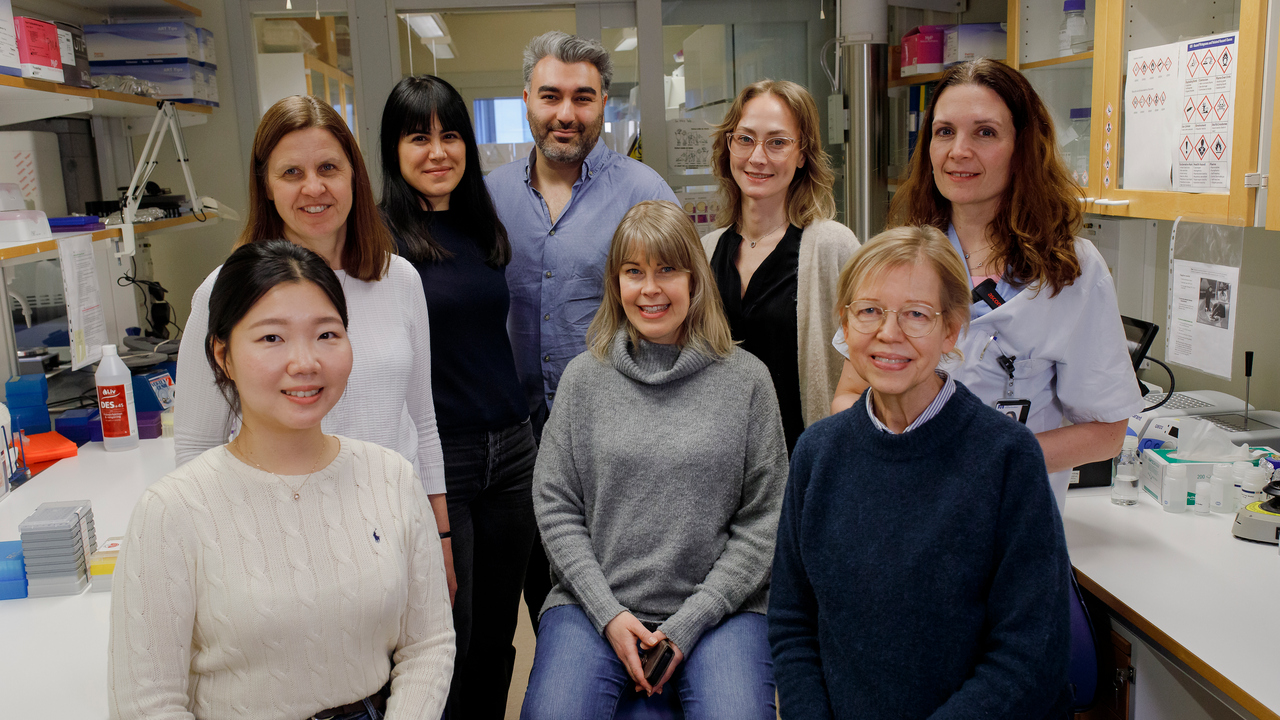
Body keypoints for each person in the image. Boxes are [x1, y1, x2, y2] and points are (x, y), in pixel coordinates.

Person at [109, 240, 455, 720]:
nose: (305, 362)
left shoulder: (391, 477)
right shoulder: (171, 510)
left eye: (327, 334)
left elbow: (429, 644)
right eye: (272, 338)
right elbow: (147, 703)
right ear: (223, 356)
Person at [769, 225, 1071, 719]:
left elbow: (1030, 653)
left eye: (916, 314)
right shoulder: (817, 454)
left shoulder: (1007, 459)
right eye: (869, 311)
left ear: (951, 330)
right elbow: (792, 622)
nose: (889, 333)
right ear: (845, 323)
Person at [174, 95, 455, 597]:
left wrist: (441, 538)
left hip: (396, 529)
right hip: (279, 540)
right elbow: (196, 448)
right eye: (291, 173)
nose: (314, 187)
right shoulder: (224, 292)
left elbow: (421, 421)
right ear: (266, 185)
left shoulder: (400, 280)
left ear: (355, 176)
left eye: (328, 167)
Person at [831, 59, 1141, 511]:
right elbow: (848, 394)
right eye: (944, 131)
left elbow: (1107, 433)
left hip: (1012, 517)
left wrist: (979, 458)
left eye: (985, 132)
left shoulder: (1070, 271)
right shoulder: (902, 256)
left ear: (1022, 147)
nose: (959, 151)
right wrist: (897, 451)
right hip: (899, 508)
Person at [521, 201, 788, 720]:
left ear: (694, 279)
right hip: (592, 604)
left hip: (722, 610)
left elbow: (765, 520)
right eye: (633, 272)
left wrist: (691, 622)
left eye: (667, 270)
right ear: (615, 283)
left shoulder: (747, 380)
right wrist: (608, 613)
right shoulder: (583, 379)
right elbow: (555, 506)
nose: (650, 289)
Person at [485, 30, 678, 630]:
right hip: (512, 449)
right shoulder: (487, 198)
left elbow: (681, 314)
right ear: (526, 99)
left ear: (603, 104)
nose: (565, 113)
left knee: (617, 603)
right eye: (550, 96)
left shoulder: (644, 194)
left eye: (582, 97)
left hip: (614, 445)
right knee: (535, 604)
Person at [379, 75, 537, 719]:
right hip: (443, 460)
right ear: (393, 150)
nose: (438, 152)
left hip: (515, 452)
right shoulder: (379, 242)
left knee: (498, 635)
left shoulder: (480, 226)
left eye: (450, 136)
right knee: (448, 637)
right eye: (418, 138)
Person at [702, 80, 859, 453]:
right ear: (728, 146)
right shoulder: (706, 251)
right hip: (723, 461)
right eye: (745, 139)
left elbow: (869, 361)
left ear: (802, 155)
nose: (758, 157)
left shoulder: (833, 247)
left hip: (804, 461)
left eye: (777, 142)